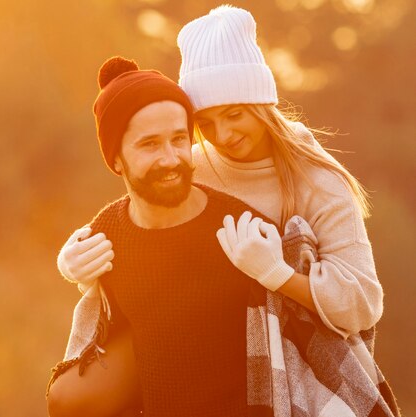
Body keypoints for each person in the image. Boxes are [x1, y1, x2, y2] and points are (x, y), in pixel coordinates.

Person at [51, 5, 399, 417]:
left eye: (235, 115)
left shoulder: (319, 183)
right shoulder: (192, 164)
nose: (224, 136)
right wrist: (73, 265)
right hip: (192, 365)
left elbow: (361, 305)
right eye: (206, 123)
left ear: (262, 102)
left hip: (283, 368)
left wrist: (278, 275)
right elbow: (143, 224)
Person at [47, 55, 286, 416]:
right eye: (150, 145)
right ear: (116, 159)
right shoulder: (108, 236)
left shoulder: (241, 229)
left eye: (179, 139)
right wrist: (71, 269)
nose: (171, 158)